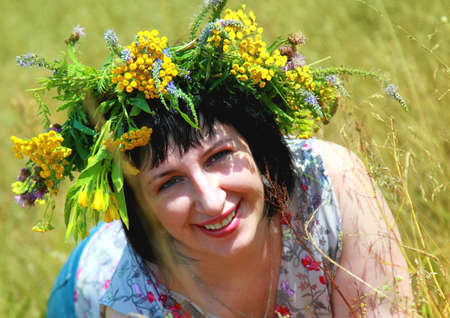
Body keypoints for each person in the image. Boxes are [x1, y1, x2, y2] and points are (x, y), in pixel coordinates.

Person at [11, 1, 413, 317]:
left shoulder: (331, 185)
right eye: (168, 182)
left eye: (219, 156)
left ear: (258, 145)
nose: (211, 200)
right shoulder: (132, 300)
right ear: (141, 208)